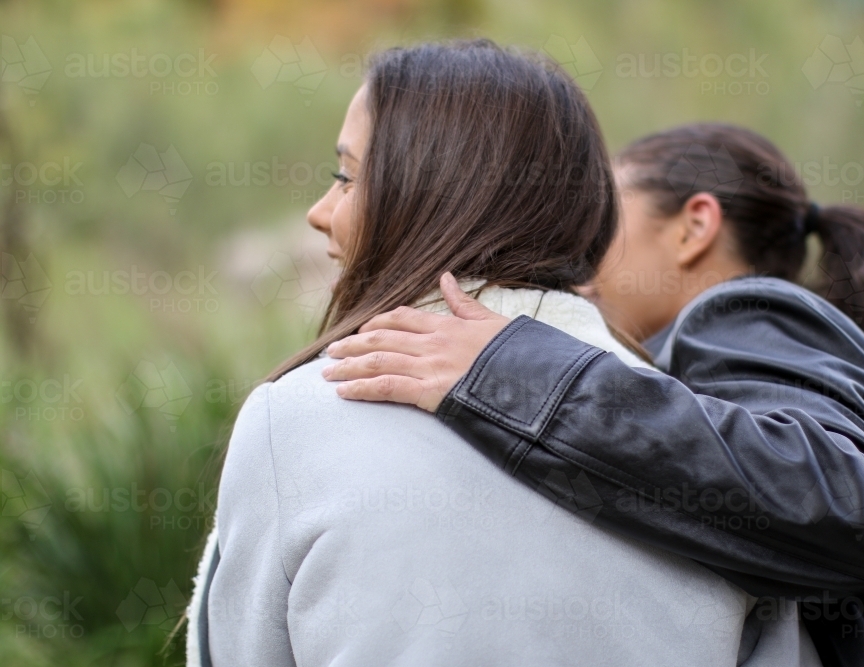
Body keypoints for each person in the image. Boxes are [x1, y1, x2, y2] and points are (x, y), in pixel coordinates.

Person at [186, 47, 814, 667]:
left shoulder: (300, 419)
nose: (320, 213)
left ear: (433, 198)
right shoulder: (724, 460)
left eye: (347, 176)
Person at [322, 124, 864, 666]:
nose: (578, 252)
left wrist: (509, 370)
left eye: (604, 220)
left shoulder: (745, 314)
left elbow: (853, 508)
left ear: (694, 225)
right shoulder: (813, 359)